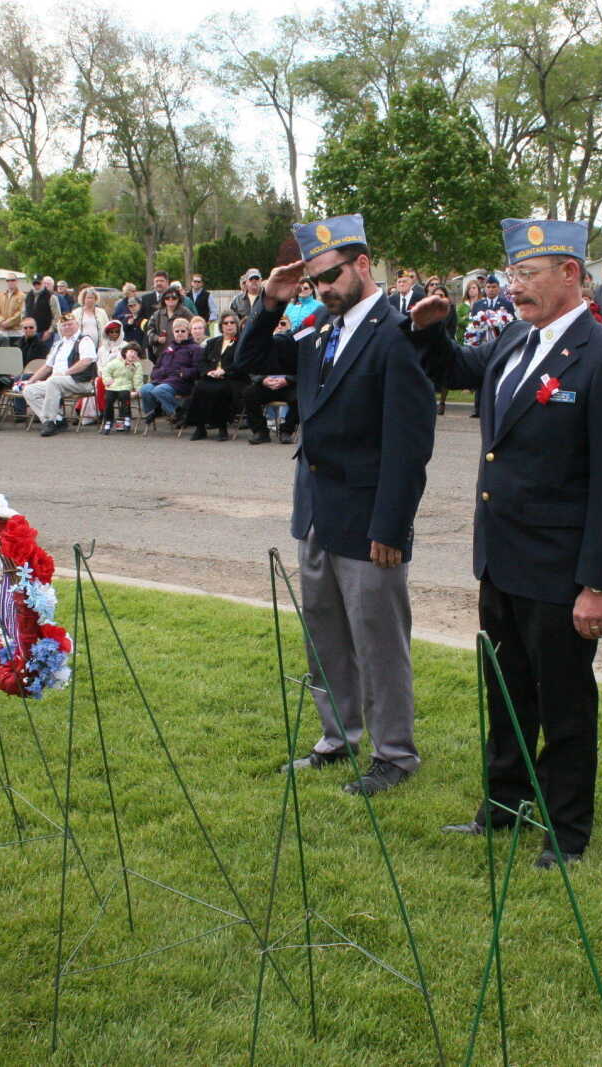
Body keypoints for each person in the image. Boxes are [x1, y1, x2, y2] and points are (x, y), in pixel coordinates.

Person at [405, 218, 602, 868]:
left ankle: (566, 831)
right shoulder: (516, 337)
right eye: (513, 274)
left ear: (571, 274)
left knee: (564, 704)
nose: (515, 286)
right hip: (502, 559)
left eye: (529, 274)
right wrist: (431, 329)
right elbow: (456, 369)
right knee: (507, 691)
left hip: (560, 569)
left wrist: (598, 583)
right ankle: (505, 803)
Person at [237, 214, 435, 796]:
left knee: (379, 641)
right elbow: (250, 360)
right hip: (317, 510)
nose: (323, 288)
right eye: (315, 280)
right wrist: (272, 301)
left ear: (363, 264)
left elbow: (409, 445)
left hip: (370, 518)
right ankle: (337, 736)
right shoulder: (320, 328)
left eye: (332, 276)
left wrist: (392, 526)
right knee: (324, 636)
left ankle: (394, 754)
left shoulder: (397, 334)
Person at [21, 314, 99, 437]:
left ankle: (49, 421)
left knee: (54, 381)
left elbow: (86, 361)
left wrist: (64, 373)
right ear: (60, 328)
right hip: (57, 383)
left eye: (70, 324)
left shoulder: (84, 340)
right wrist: (30, 381)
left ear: (77, 325)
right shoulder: (58, 344)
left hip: (81, 382)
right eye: (64, 325)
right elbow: (47, 367)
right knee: (29, 390)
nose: (67, 327)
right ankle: (58, 419)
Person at [186, 312, 245, 440]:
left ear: (237, 325)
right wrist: (209, 372)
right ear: (221, 326)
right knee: (199, 388)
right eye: (226, 323)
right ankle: (200, 428)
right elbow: (202, 362)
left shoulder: (241, 343)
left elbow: (242, 364)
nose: (229, 325)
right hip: (212, 377)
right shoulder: (213, 342)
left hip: (233, 378)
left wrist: (224, 371)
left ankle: (222, 427)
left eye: (232, 322)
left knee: (219, 390)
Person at [139, 315, 203, 425]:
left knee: (159, 391)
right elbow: (156, 367)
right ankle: (155, 410)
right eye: (177, 331)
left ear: (188, 332)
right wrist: (159, 373)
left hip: (182, 382)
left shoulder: (195, 348)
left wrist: (184, 372)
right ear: (173, 332)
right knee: (145, 389)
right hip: (163, 380)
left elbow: (199, 370)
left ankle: (179, 412)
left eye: (183, 331)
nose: (179, 333)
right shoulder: (168, 349)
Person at [99, 341, 146, 433]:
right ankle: (108, 421)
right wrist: (108, 380)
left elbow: (138, 378)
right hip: (113, 386)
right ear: (125, 352)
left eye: (135, 353)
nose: (133, 355)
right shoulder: (116, 362)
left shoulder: (137, 365)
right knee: (108, 399)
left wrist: (137, 390)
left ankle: (125, 418)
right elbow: (106, 371)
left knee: (124, 396)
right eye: (131, 352)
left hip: (126, 387)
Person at [0, 275, 26, 344]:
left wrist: (8, 323)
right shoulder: (0, 296)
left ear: (17, 281)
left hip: (17, 332)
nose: (10, 282)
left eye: (12, 280)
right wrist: (1, 321)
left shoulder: (22, 296)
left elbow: (22, 312)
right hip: (3, 332)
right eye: (8, 280)